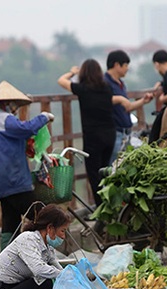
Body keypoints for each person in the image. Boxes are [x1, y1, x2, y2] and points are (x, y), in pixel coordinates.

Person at [0, 80, 55, 250]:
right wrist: (44, 117)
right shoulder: (4, 119)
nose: (15, 107)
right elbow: (27, 128)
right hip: (14, 179)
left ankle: (5, 258)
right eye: (13, 104)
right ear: (6, 103)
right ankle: (48, 252)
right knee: (41, 214)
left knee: (10, 223)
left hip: (1, 181)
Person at [57, 59, 116, 208]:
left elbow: (61, 81)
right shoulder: (108, 88)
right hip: (110, 134)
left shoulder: (82, 89)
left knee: (94, 175)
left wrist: (72, 72)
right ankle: (111, 206)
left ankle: (102, 211)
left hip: (93, 137)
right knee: (105, 172)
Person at [104, 49, 154, 163]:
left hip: (126, 132)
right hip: (114, 132)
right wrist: (119, 99)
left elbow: (128, 107)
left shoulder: (121, 84)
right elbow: (101, 101)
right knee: (113, 167)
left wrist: (143, 101)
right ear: (117, 65)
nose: (127, 68)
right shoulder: (105, 82)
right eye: (126, 65)